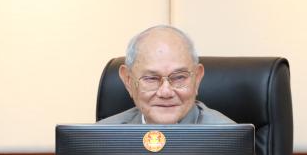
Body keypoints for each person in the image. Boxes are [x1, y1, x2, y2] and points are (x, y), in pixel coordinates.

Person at [99, 25, 234, 124]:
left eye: (179, 77)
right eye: (151, 78)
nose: (166, 92)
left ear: (197, 78)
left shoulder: (229, 140)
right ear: (128, 81)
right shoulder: (102, 139)